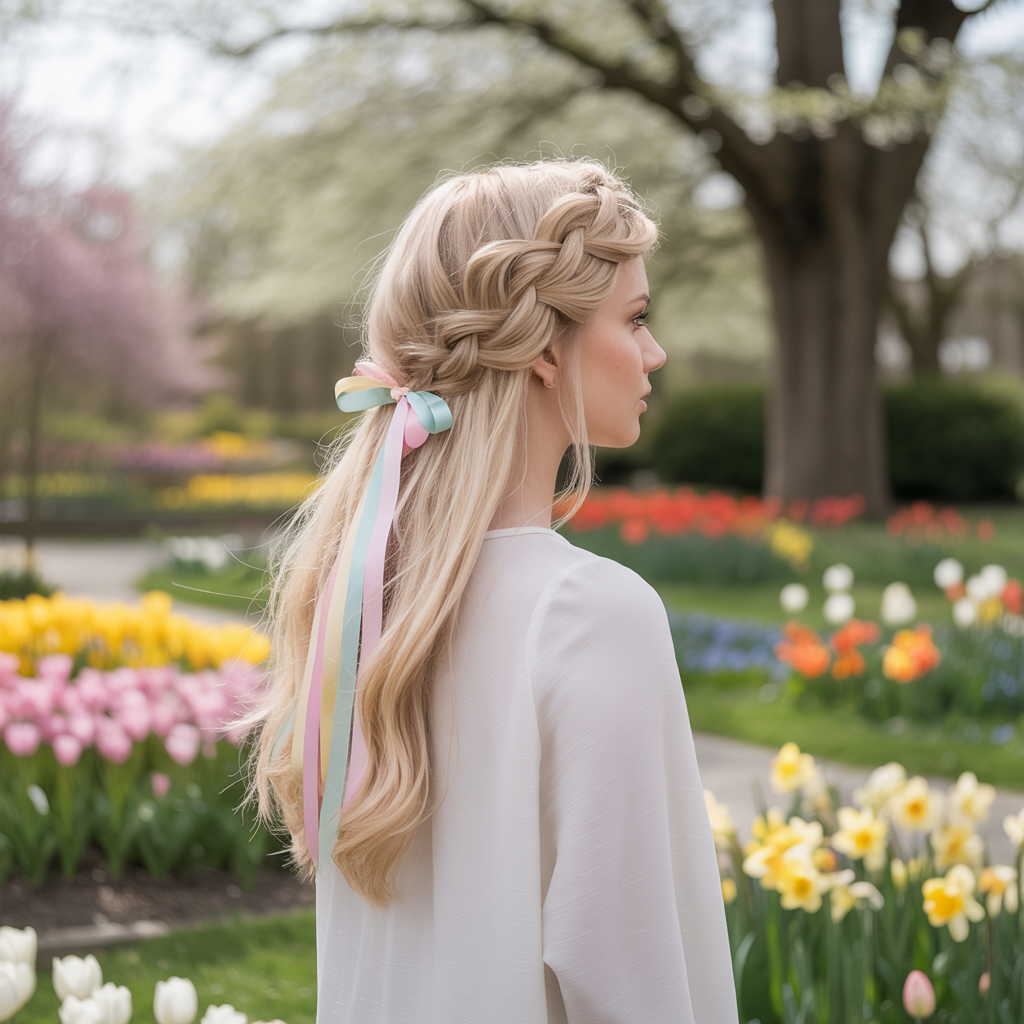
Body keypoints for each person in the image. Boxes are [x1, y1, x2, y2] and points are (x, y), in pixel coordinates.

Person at [248, 159, 738, 1023]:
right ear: (547, 349)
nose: (655, 352)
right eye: (635, 318)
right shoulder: (589, 617)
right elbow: (631, 976)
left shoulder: (370, 600)